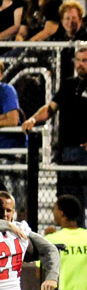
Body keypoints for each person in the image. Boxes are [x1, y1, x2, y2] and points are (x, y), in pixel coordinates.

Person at [22, 46, 87, 237]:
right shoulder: (68, 85)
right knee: (72, 201)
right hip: (67, 151)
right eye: (78, 60)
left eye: (85, 60)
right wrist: (33, 119)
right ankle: (74, 239)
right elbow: (51, 107)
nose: (80, 64)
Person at [0, 61, 25, 218]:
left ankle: (24, 238)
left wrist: (5, 118)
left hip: (11, 152)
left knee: (17, 201)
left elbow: (12, 119)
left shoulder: (6, 90)